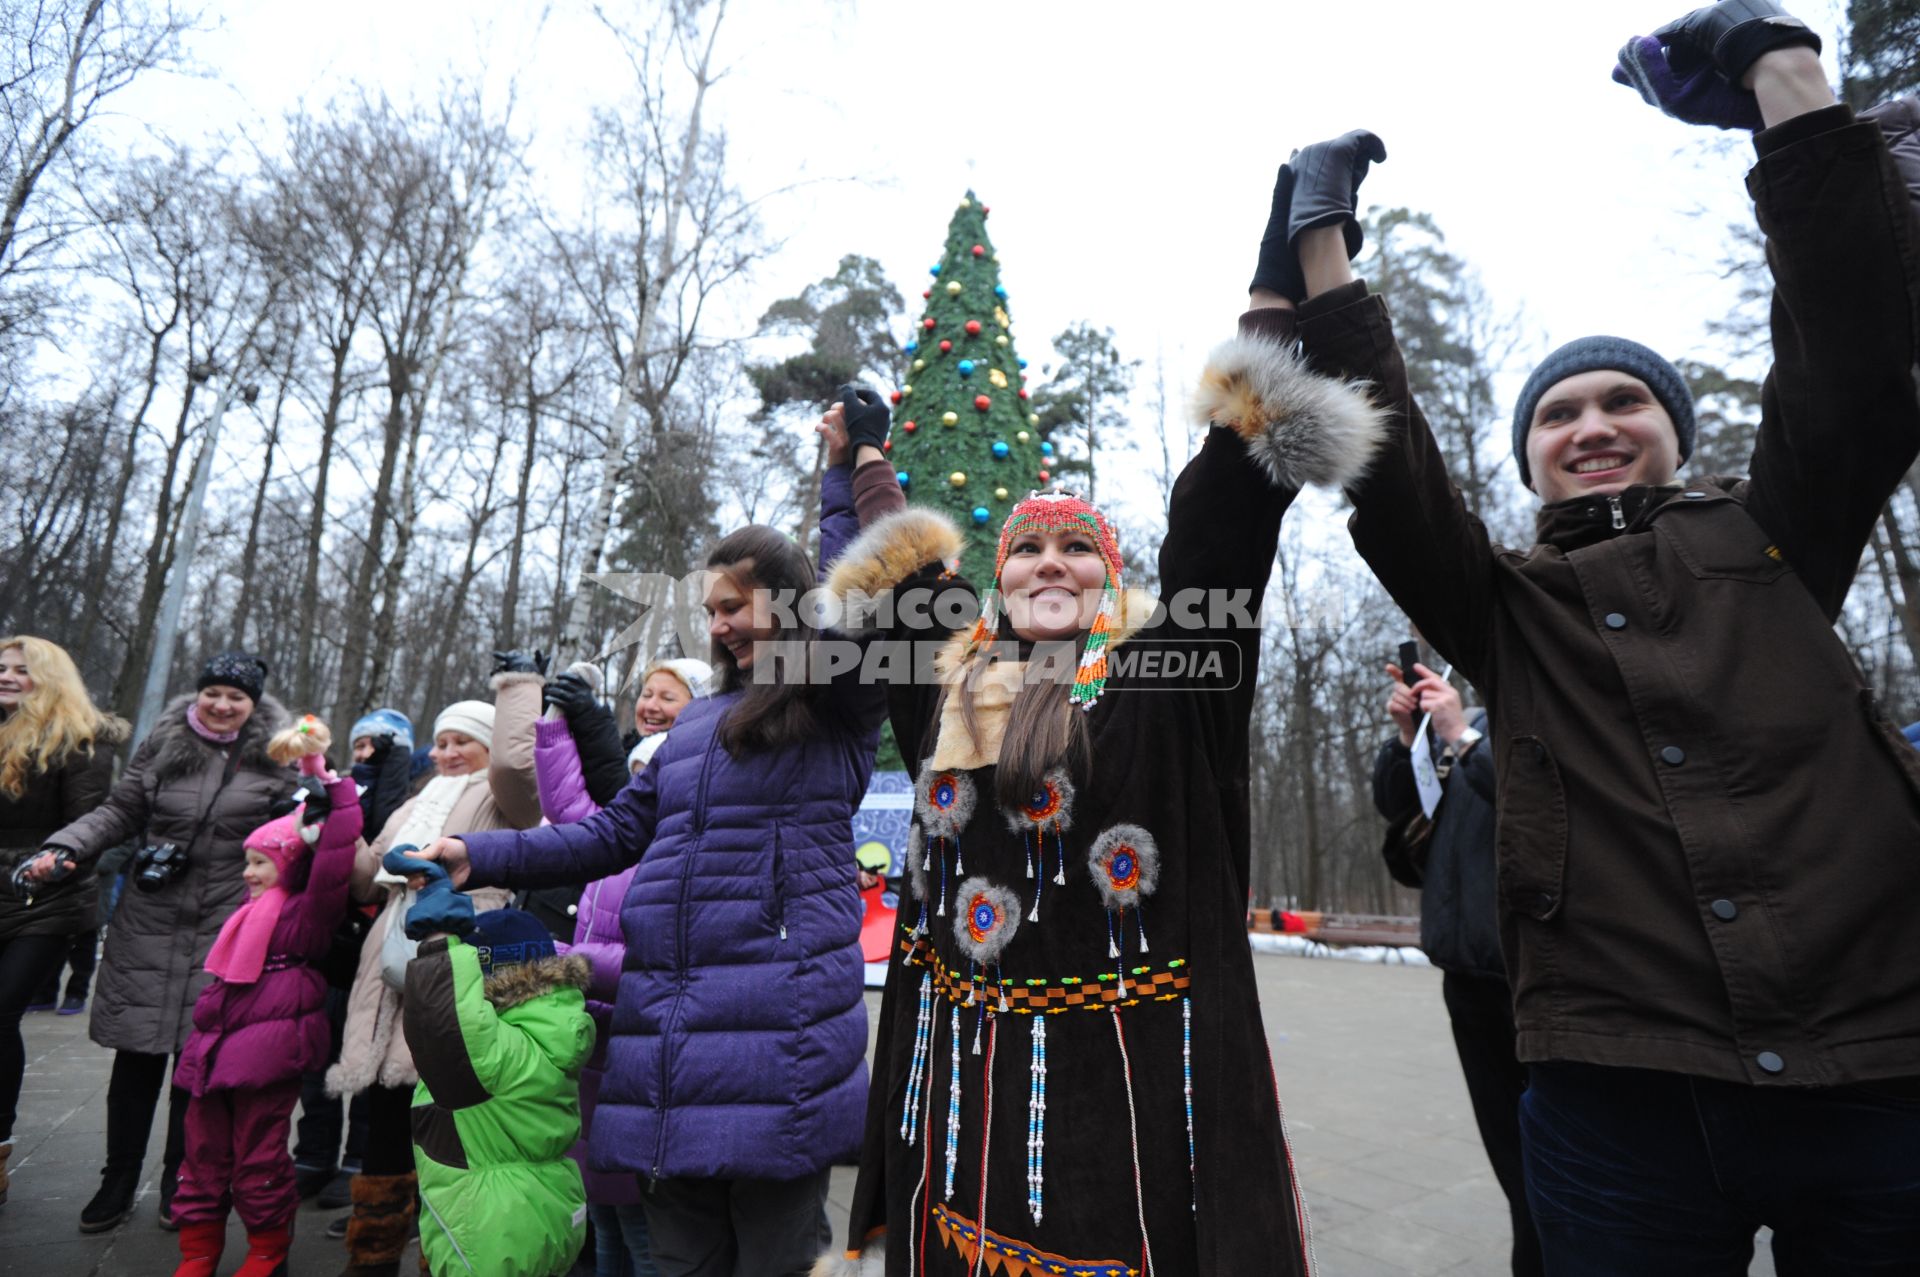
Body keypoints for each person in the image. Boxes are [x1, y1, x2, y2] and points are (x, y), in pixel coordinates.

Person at [1270, 5, 1920, 1270]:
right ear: (1529, 460)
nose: (1594, 421)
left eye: (1627, 398)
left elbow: (1853, 359)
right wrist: (1323, 248)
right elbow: (1390, 480)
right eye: (1559, 411)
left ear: (1678, 431)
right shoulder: (1505, 607)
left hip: (1879, 1062)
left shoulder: (1780, 535)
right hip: (1618, 1094)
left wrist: (1783, 81)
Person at [810, 245, 1379, 1268]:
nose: (1049, 563)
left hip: (1124, 1104)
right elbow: (898, 560)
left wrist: (1270, 305)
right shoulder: (948, 682)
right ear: (1002, 577)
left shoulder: (1163, 684)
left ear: (1109, 578)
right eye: (1027, 548)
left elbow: (1221, 522)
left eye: (1078, 547)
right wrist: (862, 455)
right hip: (959, 1097)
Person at [414, 514, 885, 1277]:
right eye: (709, 610)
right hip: (667, 1046)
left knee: (775, 1261)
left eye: (735, 606)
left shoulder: (833, 709)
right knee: (678, 1262)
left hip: (778, 1048)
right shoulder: (693, 728)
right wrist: (478, 852)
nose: (720, 625)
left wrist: (846, 466)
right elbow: (607, 835)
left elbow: (863, 595)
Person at [40, 650, 292, 1233]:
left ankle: (184, 1180)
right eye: (214, 693)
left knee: (197, 1064)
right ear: (198, 694)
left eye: (237, 697)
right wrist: (67, 847)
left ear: (253, 705)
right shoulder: (164, 742)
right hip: (150, 918)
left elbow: (296, 829)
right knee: (135, 1060)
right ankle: (117, 1181)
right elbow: (120, 811)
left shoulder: (278, 756)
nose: (223, 705)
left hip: (231, 925)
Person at [325, 662, 543, 1277]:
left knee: (445, 1110)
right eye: (441, 742)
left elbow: (518, 770)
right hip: (391, 955)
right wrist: (343, 833)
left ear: (487, 747)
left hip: (460, 954)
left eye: (461, 742)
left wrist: (517, 694)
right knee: (386, 1116)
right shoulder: (416, 801)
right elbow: (368, 876)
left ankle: (441, 1254)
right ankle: (370, 1254)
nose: (447, 753)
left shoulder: (500, 797)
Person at [171, 715, 363, 1277]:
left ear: (289, 866)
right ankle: (198, 1250)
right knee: (201, 1155)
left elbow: (335, 851)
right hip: (214, 1050)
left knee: (259, 1155)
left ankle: (266, 1249)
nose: (250, 874)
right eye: (248, 862)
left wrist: (320, 773)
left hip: (267, 1052)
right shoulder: (244, 917)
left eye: (262, 863)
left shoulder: (306, 916)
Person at [537, 657, 708, 1277]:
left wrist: (561, 963)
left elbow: (654, 957)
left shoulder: (680, 859)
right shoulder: (618, 843)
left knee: (637, 1221)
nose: (638, 799)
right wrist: (555, 722)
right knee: (601, 1211)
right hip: (594, 1040)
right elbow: (566, 804)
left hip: (638, 1046)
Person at [1372, 661, 1539, 1276]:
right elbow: (1394, 807)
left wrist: (1461, 739)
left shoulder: (1548, 714)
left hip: (1543, 982)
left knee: (1557, 1178)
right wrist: (1408, 736)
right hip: (1468, 979)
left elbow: (1543, 801)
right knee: (1517, 1172)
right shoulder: (1462, 722)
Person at [387, 854, 593, 1277]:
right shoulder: (545, 1032)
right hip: (531, 1211)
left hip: (491, 1229)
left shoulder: (503, 1050)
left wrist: (440, 941)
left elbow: (447, 1022)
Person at [0, 635, 127, 1206]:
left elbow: (88, 829)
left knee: (0, 1015)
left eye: (21, 669)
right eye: (1, 666)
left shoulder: (81, 741)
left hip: (45, 898)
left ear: (48, 678)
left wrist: (47, 862)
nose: (6, 675)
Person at [294, 708, 414, 1204]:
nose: (363, 755)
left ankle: (358, 1158)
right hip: (328, 941)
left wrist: (391, 770)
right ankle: (313, 1153)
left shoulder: (407, 797)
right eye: (359, 746)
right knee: (317, 1059)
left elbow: (382, 839)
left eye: (376, 748)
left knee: (369, 1051)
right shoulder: (336, 785)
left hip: (372, 942)